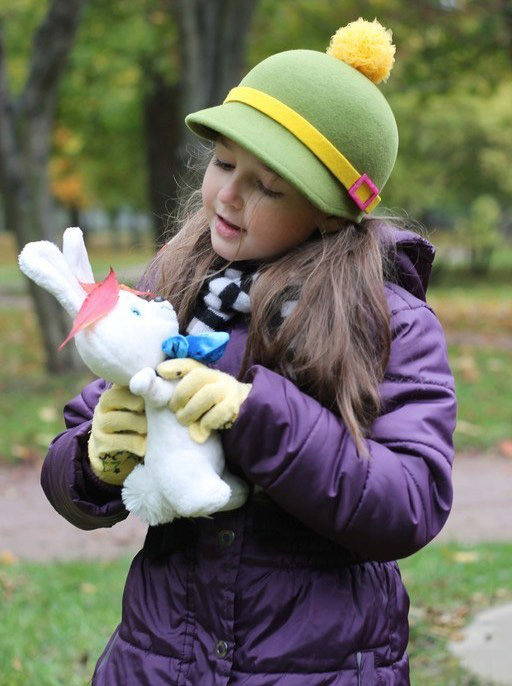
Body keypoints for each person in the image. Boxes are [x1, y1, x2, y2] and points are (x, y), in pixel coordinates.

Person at [42, 18, 456, 685]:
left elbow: (409, 503)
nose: (228, 196)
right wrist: (95, 460)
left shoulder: (388, 322)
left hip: (321, 668)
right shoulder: (177, 284)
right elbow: (76, 455)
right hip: (162, 662)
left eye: (268, 186)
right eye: (224, 163)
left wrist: (258, 415)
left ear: (330, 212)